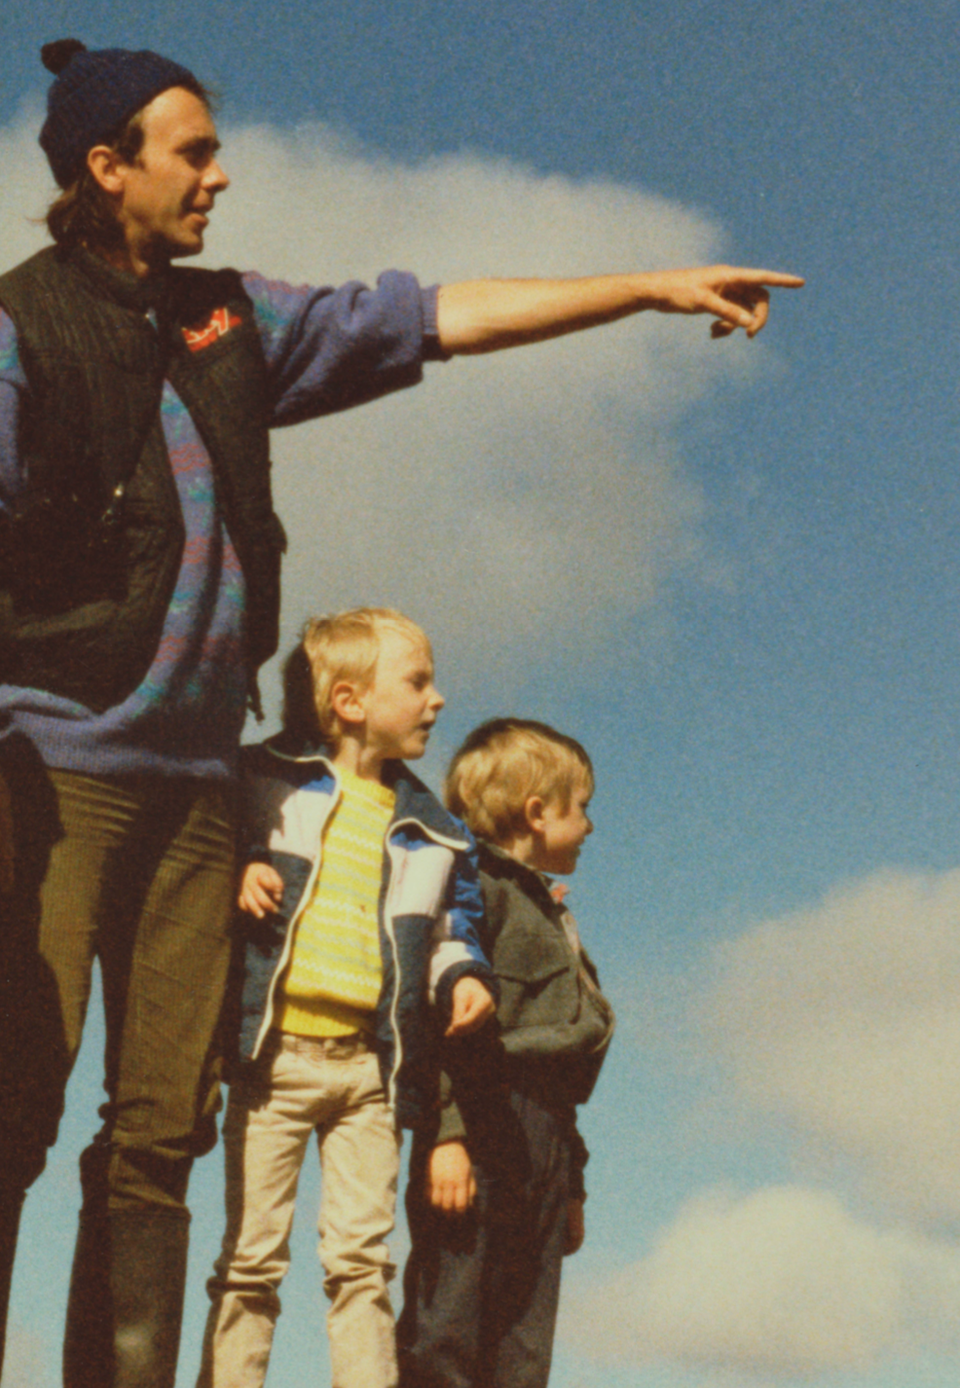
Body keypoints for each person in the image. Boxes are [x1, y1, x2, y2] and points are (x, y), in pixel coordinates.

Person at [0, 36, 800, 1387]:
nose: (219, 173)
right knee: (17, 1100)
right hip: (58, 771)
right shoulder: (20, 329)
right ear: (106, 164)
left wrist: (647, 288)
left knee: (159, 1133)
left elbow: (439, 314)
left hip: (200, 795)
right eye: (193, 152)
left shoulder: (231, 322)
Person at [196, 607, 495, 1388]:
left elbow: (452, 930)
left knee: (363, 1263)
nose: (437, 701)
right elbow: (204, 843)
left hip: (370, 1073)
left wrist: (463, 976)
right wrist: (236, 867)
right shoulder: (261, 782)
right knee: (251, 1261)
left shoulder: (437, 831)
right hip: (273, 1062)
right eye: (419, 682)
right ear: (350, 701)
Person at [397, 718, 614, 1388]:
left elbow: (562, 1066)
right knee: (447, 1325)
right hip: (479, 1119)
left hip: (543, 1137)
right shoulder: (473, 895)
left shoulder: (548, 912)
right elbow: (440, 1028)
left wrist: (570, 1181)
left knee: (523, 1343)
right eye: (583, 809)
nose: (590, 826)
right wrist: (448, 1136)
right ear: (536, 812)